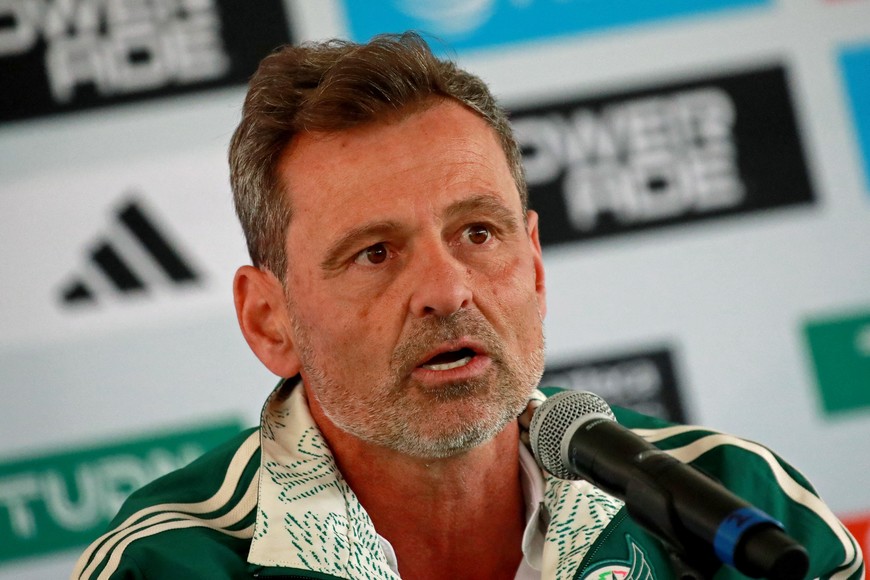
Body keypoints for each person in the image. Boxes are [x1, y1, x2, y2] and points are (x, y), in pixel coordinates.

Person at [73, 33, 863, 580]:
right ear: (267, 320)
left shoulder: (734, 503)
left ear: (536, 263)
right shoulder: (167, 563)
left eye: (478, 233)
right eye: (375, 253)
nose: (448, 291)